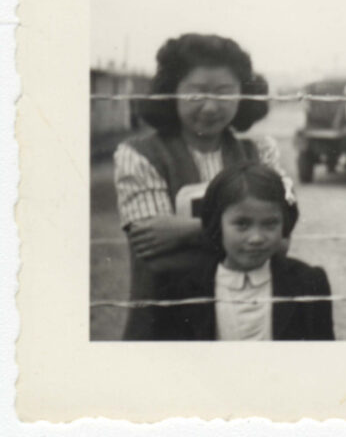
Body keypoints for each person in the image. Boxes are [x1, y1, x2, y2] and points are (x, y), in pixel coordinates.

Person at [113, 33, 297, 340]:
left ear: (243, 94)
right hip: (168, 320)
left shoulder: (261, 151)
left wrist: (183, 230)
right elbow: (154, 250)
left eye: (224, 93)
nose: (211, 107)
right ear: (171, 93)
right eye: (196, 93)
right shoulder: (139, 155)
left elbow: (282, 239)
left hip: (249, 316)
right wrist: (247, 230)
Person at [152, 163, 333, 340]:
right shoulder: (181, 288)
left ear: (284, 224)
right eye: (242, 224)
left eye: (270, 224)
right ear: (217, 223)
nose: (256, 238)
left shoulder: (308, 282)